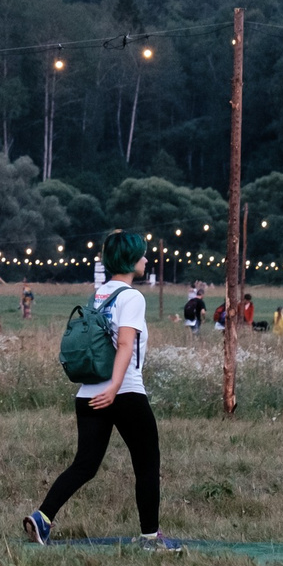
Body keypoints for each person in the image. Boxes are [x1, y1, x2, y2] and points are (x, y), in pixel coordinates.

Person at [25, 232, 170, 549]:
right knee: (147, 463)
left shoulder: (98, 295)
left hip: (88, 393)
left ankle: (42, 517)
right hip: (125, 392)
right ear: (130, 260)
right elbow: (126, 345)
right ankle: (150, 538)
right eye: (142, 255)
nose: (146, 260)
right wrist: (116, 386)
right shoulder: (132, 297)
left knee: (85, 465)